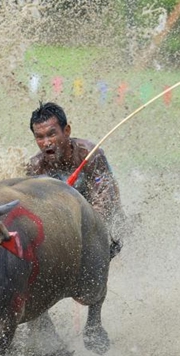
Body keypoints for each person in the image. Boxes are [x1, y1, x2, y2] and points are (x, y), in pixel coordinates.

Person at [26, 102, 125, 256]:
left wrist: (80, 232)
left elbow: (105, 200)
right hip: (65, 227)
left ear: (67, 131)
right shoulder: (35, 168)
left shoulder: (90, 155)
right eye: (39, 137)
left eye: (51, 134)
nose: (46, 143)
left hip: (102, 224)